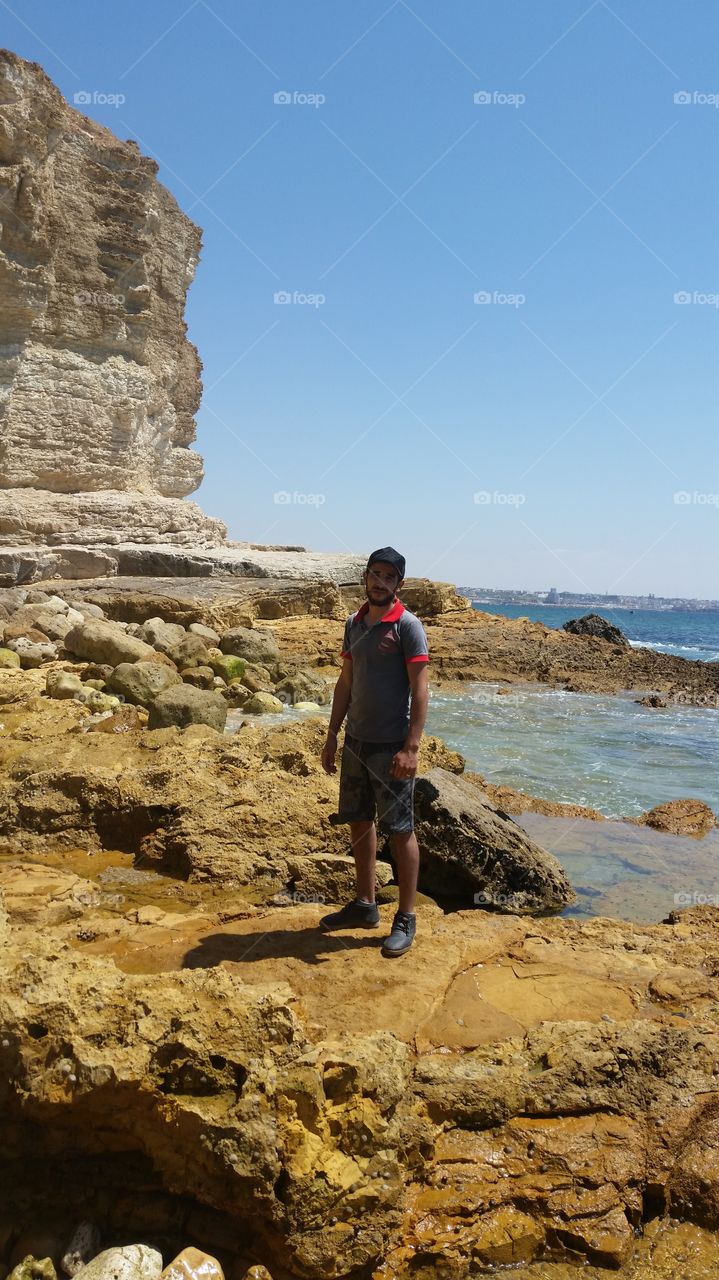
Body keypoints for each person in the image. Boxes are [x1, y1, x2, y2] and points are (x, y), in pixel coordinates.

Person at [319, 546, 429, 956]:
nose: (380, 582)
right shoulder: (354, 623)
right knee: (360, 822)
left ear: (398, 584)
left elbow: (420, 689)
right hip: (356, 743)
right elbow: (345, 682)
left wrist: (411, 748)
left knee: (400, 829)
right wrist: (332, 735)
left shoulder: (408, 626)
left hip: (392, 745)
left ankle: (406, 917)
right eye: (374, 574)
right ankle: (365, 904)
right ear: (365, 577)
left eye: (388, 577)